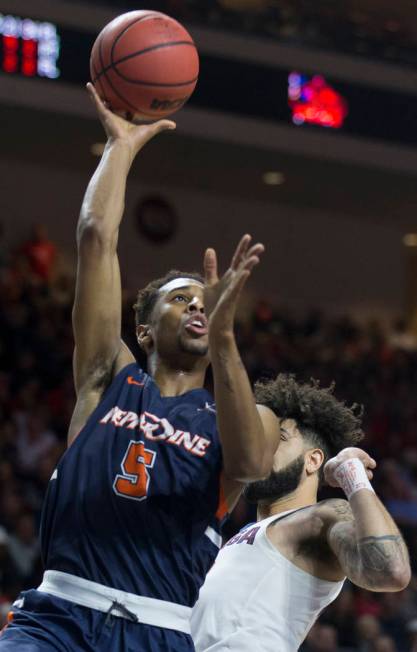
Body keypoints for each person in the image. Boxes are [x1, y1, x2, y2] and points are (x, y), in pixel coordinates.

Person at [0, 85, 281, 651]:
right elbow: (96, 239)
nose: (198, 305)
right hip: (60, 614)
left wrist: (225, 341)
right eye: (182, 299)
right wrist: (119, 147)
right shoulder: (109, 376)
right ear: (146, 328)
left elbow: (251, 464)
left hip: (161, 628)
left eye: (207, 300)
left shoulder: (247, 416)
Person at [191, 375, 411, 652]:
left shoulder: (321, 516)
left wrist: (351, 475)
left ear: (313, 460)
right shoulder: (241, 533)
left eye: (278, 438)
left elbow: (392, 572)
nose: (262, 448)